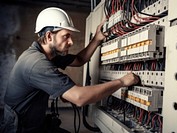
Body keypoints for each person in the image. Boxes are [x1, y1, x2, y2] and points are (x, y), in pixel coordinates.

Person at [0, 7, 139, 133]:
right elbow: (79, 97)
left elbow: (79, 60)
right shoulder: (36, 62)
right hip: (19, 128)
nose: (71, 42)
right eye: (66, 36)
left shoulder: (48, 55)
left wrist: (96, 39)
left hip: (34, 122)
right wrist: (122, 82)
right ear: (49, 36)